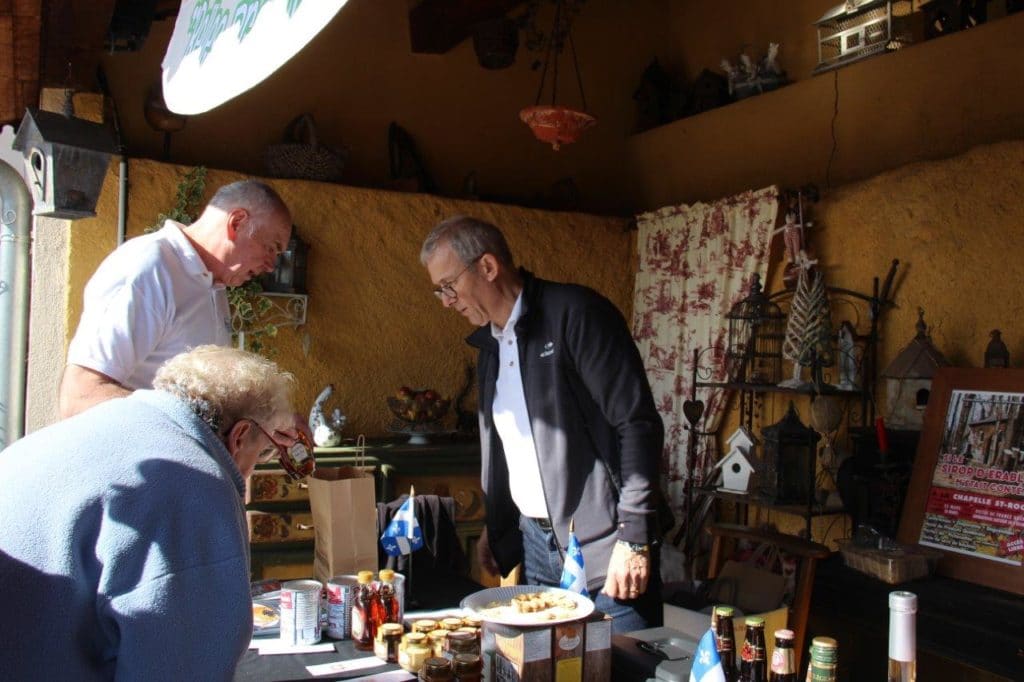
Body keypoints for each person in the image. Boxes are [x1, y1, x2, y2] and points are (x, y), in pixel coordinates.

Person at [420, 215, 669, 633]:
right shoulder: (491, 345)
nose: (446, 300)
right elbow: (510, 447)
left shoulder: (577, 315)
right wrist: (497, 527)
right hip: (537, 548)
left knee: (618, 669)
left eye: (449, 285)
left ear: (487, 267)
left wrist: (635, 537)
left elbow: (637, 423)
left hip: (607, 547)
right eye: (439, 290)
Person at [0, 344, 305, 680]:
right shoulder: (196, 484)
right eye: (262, 454)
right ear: (240, 435)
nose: (252, 470)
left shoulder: (69, 435)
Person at [58, 179, 293, 419]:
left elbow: (206, 402)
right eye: (271, 248)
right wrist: (188, 424)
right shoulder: (151, 267)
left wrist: (270, 423)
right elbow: (81, 396)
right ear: (237, 222)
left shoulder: (214, 285)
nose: (271, 265)